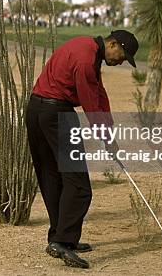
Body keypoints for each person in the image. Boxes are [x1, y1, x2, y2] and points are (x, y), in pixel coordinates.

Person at [26, 30, 139, 269]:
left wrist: (109, 134)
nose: (121, 61)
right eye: (122, 55)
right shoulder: (87, 59)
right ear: (112, 43)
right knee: (79, 185)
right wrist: (107, 138)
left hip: (36, 110)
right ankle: (63, 241)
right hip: (56, 113)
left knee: (53, 177)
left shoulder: (86, 47)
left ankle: (59, 237)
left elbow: (99, 95)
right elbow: (90, 102)